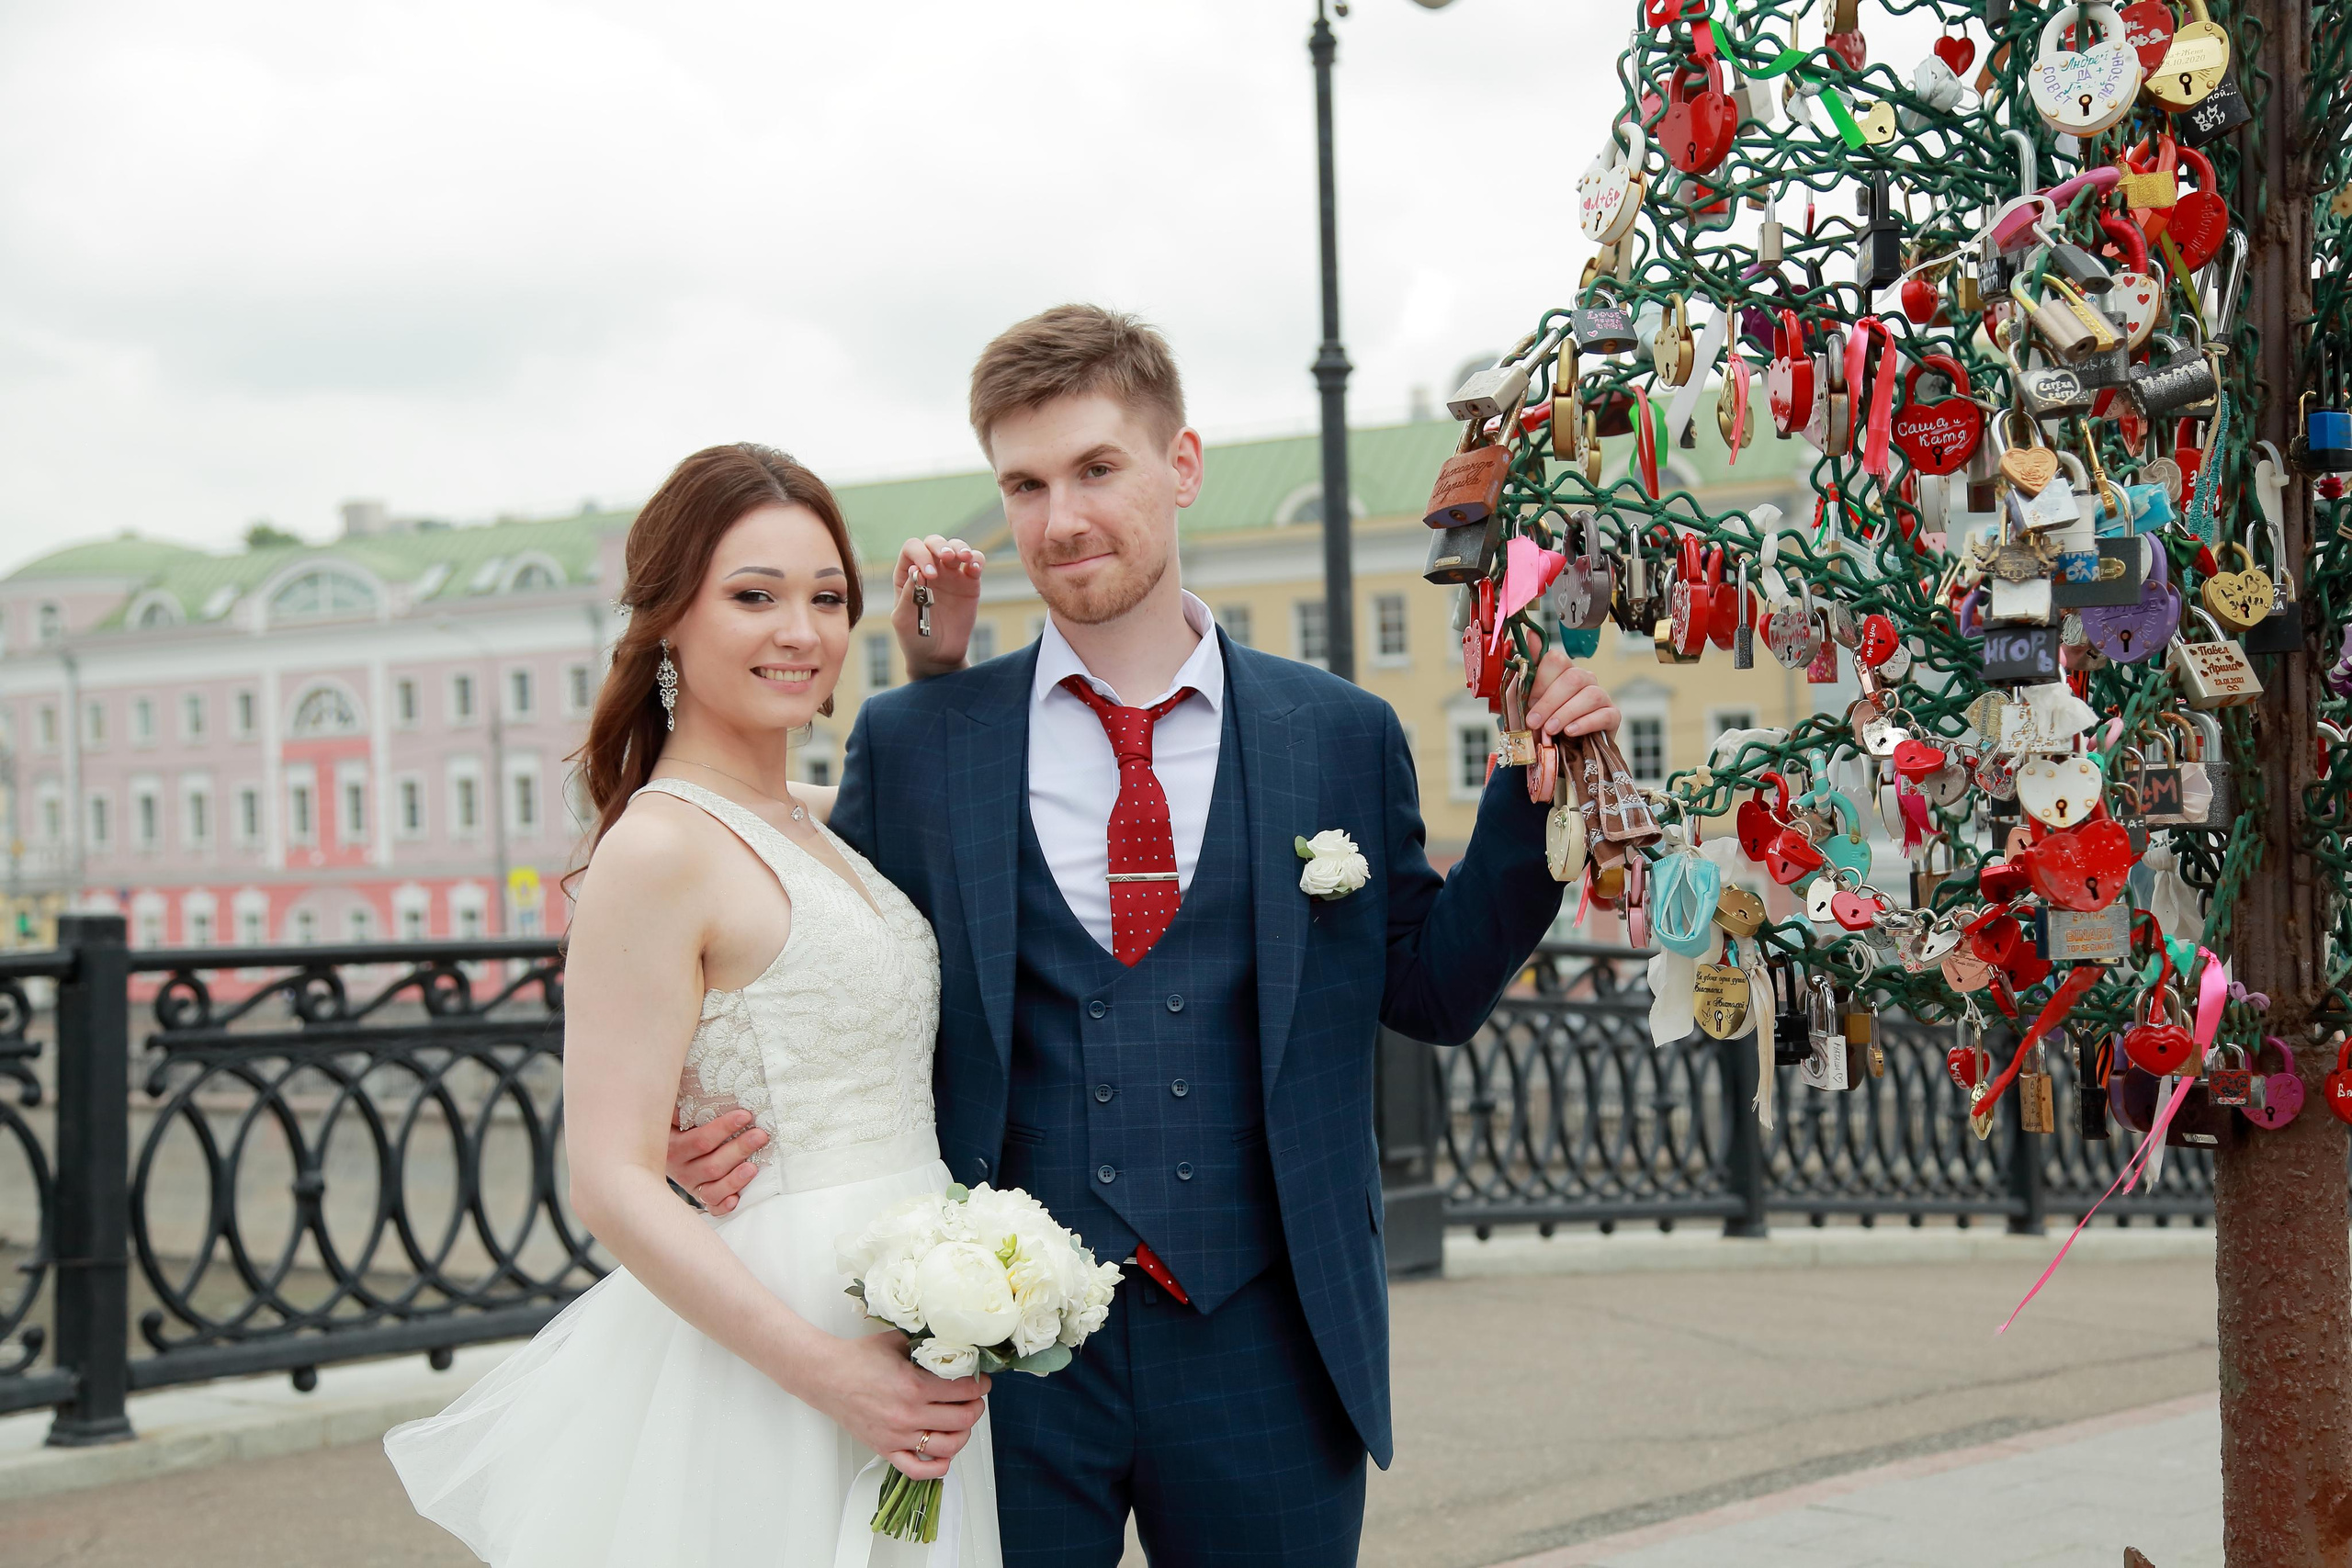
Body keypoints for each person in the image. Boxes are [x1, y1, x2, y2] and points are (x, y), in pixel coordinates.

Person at [669, 307, 1620, 1568]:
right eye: (1025, 482)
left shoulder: (1336, 733)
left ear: (1181, 466)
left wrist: (1526, 805)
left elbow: (1432, 989)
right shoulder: (919, 741)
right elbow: (835, 976)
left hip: (1271, 1349)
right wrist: (704, 1105)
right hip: (995, 1366)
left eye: (1097, 468)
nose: (1060, 518)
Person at [385, 444, 1001, 1567]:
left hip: (917, 1311)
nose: (800, 631)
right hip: (786, 1345)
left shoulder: (824, 818)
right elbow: (611, 1177)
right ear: (670, 620)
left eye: (826, 598)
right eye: (752, 596)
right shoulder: (660, 848)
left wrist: (933, 672)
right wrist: (832, 1373)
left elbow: (938, 808)